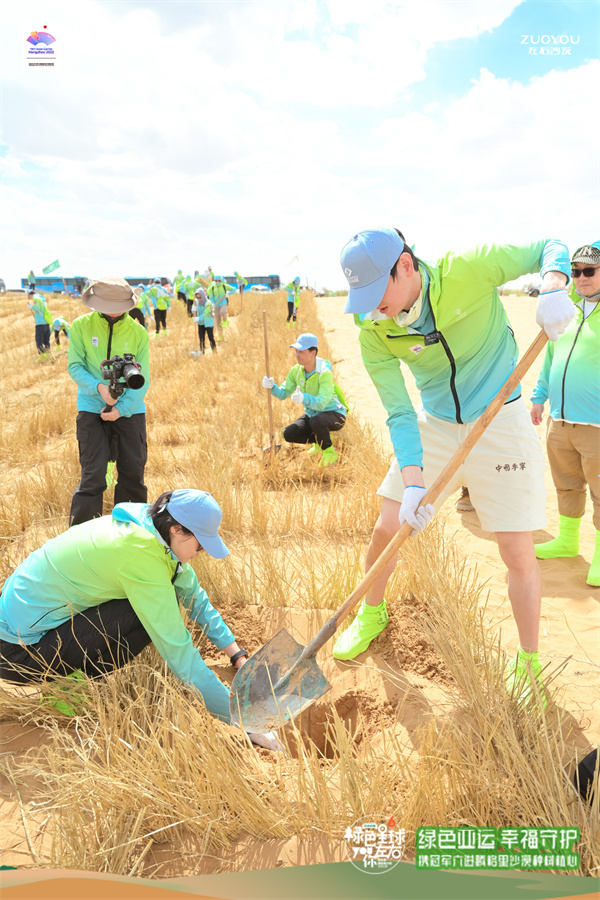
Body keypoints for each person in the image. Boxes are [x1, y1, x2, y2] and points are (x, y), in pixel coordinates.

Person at [334, 227, 574, 704]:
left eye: (374, 293)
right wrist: (414, 481)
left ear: (405, 266)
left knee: (517, 551)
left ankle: (527, 664)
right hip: (436, 424)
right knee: (386, 526)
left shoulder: (468, 267)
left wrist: (554, 284)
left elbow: (547, 245)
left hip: (501, 418)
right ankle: (372, 610)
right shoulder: (374, 331)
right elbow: (400, 412)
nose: (370, 307)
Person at [0, 489, 281, 750]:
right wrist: (244, 720)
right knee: (148, 612)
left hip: (27, 626)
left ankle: (68, 678)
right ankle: (65, 686)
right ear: (177, 529)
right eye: (201, 544)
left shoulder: (149, 527)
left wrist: (236, 654)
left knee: (157, 600)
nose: (203, 552)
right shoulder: (140, 554)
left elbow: (193, 596)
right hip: (17, 652)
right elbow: (183, 660)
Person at [530, 243, 600, 587]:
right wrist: (538, 398)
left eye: (590, 271)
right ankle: (568, 541)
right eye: (576, 271)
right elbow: (548, 360)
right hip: (559, 421)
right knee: (567, 485)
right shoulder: (566, 312)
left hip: (596, 425)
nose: (582, 278)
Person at [68, 276, 150, 527]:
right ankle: (80, 541)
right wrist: (99, 388)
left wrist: (122, 409)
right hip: (91, 407)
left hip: (131, 412)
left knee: (132, 475)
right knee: (92, 477)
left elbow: (142, 380)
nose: (114, 310)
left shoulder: (138, 332)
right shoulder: (80, 326)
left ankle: (129, 535)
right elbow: (75, 366)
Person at [262, 332, 347, 466]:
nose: (297, 354)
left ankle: (329, 452)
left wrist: (304, 398)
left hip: (334, 415)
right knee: (288, 434)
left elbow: (322, 403)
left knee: (317, 421)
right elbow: (283, 393)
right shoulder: (296, 371)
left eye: (301, 351)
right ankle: (321, 441)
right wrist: (272, 386)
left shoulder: (324, 373)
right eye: (296, 351)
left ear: (313, 353)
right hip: (313, 415)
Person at [208, 276, 235, 341]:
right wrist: (212, 303)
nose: (217, 282)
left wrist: (229, 293)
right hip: (216, 305)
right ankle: (221, 336)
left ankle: (225, 320)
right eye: (216, 280)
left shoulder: (224, 286)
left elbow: (233, 289)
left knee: (222, 312)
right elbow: (211, 297)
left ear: (221, 280)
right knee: (218, 321)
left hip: (223, 302)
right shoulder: (211, 288)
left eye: (219, 280)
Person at [27, 289, 52, 354]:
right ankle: (48, 354)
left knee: (39, 340)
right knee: (46, 340)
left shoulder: (35, 298)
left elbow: (37, 308)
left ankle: (42, 355)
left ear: (30, 294)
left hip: (40, 323)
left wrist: (31, 307)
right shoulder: (41, 298)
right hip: (46, 323)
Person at [193, 287, 216, 353]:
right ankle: (202, 353)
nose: (199, 299)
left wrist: (198, 318)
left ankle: (215, 352)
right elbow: (194, 311)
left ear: (203, 295)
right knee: (201, 339)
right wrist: (193, 309)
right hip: (201, 323)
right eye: (197, 297)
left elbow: (205, 314)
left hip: (208, 323)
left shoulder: (208, 303)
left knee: (211, 338)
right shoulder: (196, 302)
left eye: (200, 297)